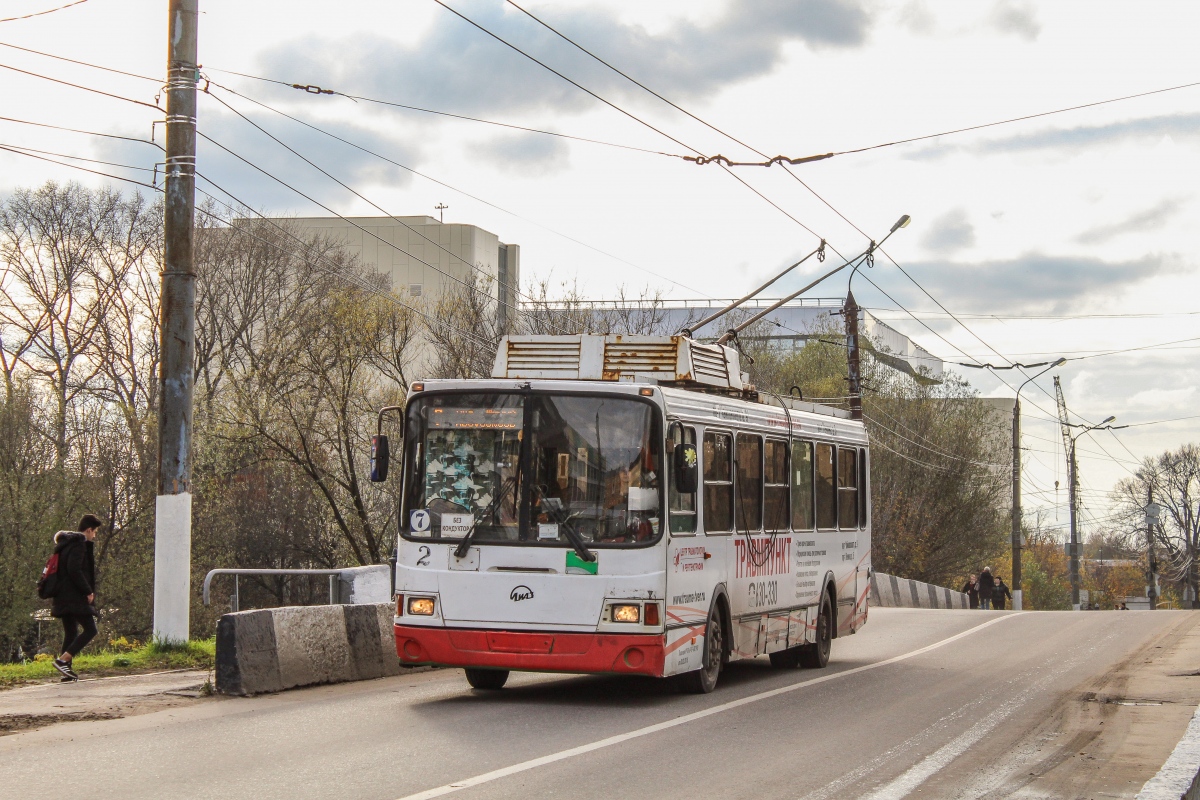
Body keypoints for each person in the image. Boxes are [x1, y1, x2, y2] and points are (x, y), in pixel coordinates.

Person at [50, 515, 102, 681]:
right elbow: (75, 570)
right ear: (88, 530)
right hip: (74, 596)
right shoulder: (79, 545)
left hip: (62, 596)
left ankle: (66, 671)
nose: (94, 536)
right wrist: (88, 591)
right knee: (91, 629)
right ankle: (63, 660)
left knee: (71, 632)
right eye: (94, 532)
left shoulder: (64, 545)